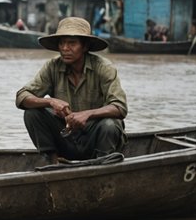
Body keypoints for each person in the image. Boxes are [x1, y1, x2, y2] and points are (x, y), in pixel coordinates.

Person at [16, 17, 127, 164]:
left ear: (85, 46)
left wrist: (87, 114)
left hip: (94, 138)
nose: (65, 48)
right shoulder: (53, 66)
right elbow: (21, 97)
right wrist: (50, 101)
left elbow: (120, 107)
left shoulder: (103, 68)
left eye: (72, 43)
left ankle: (101, 166)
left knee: (110, 125)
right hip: (66, 137)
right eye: (62, 43)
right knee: (32, 113)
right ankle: (53, 161)